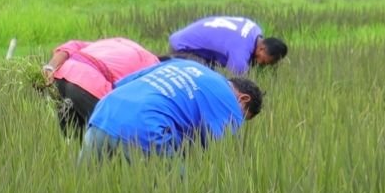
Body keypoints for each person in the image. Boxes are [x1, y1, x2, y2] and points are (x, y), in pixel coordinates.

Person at [81, 58, 263, 157]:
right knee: (182, 188)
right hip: (145, 127)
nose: (238, 121)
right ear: (243, 99)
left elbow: (122, 83)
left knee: (85, 186)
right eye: (243, 116)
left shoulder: (185, 64)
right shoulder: (229, 103)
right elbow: (224, 154)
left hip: (105, 111)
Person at [44, 36, 161, 137]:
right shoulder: (153, 65)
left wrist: (50, 67)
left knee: (72, 140)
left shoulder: (114, 42)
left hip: (61, 77)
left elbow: (69, 46)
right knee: (113, 137)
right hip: (90, 84)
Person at [166, 15, 288, 75]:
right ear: (262, 48)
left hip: (185, 37)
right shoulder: (240, 52)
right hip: (184, 48)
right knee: (204, 80)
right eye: (263, 61)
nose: (260, 64)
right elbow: (236, 84)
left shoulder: (255, 29)